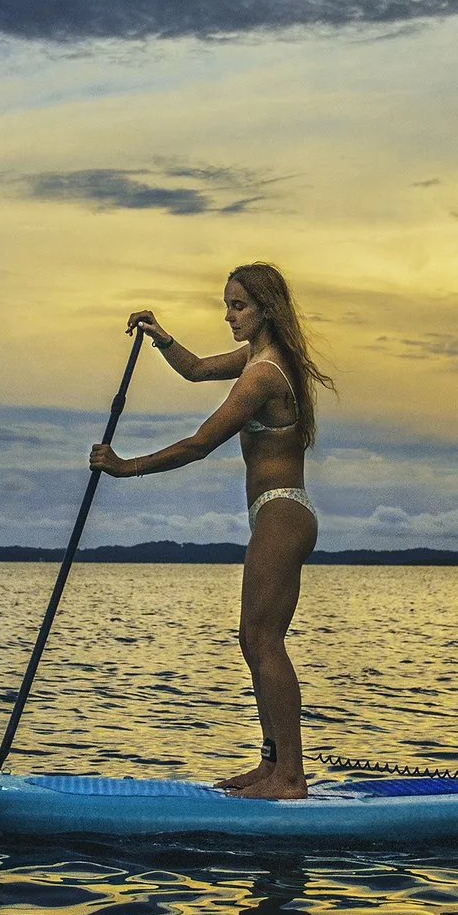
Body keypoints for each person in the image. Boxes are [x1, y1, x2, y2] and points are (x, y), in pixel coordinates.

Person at [90, 262, 335, 800]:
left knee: (264, 640)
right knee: (254, 641)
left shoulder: (264, 375)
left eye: (239, 305)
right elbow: (197, 368)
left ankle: (290, 778)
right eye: (226, 305)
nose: (229, 316)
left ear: (268, 308)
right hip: (275, 515)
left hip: (281, 513)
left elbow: (201, 443)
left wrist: (124, 466)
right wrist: (161, 338)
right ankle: (272, 764)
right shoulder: (257, 359)